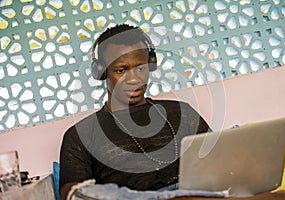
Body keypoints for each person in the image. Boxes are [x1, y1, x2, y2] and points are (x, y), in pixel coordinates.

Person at [59, 24, 211, 200]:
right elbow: (70, 194)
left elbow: (218, 162)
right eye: (121, 70)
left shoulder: (182, 112)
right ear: (101, 72)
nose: (134, 79)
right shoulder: (80, 135)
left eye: (140, 68)